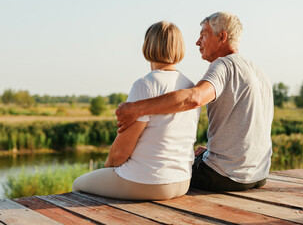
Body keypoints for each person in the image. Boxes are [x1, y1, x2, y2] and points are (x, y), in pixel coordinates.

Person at [116, 12, 274, 192]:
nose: (198, 42)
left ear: (222, 36)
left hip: (225, 176)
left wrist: (136, 108)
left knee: (167, 173)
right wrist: (209, 151)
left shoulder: (223, 65)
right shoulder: (259, 72)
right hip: (259, 175)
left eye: (203, 35)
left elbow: (194, 98)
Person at [72, 21, 200, 200]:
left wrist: (108, 167)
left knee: (78, 184)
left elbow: (120, 153)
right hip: (182, 182)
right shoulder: (190, 86)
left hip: (148, 182)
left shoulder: (145, 85)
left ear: (148, 46)